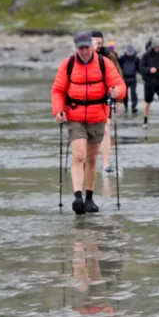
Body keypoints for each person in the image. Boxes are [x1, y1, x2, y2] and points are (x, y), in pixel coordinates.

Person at [52, 32, 126, 215]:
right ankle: (78, 197)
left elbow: (119, 84)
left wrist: (118, 92)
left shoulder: (104, 63)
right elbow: (58, 90)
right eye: (81, 48)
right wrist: (58, 110)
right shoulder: (67, 65)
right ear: (76, 48)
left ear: (92, 47)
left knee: (92, 159)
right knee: (78, 155)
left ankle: (89, 198)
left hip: (97, 116)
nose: (84, 51)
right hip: (75, 116)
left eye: (87, 47)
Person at [91, 31, 123, 175]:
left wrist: (119, 98)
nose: (98, 45)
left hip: (106, 94)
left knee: (106, 127)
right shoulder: (83, 55)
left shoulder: (109, 56)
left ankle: (106, 164)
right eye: (95, 42)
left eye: (100, 42)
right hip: (88, 96)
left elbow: (118, 76)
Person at [119, 44, 140, 115]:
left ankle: (134, 106)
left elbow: (139, 68)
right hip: (124, 78)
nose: (130, 54)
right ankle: (126, 107)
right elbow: (119, 67)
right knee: (125, 94)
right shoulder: (122, 58)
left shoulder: (136, 59)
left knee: (133, 93)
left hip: (133, 78)